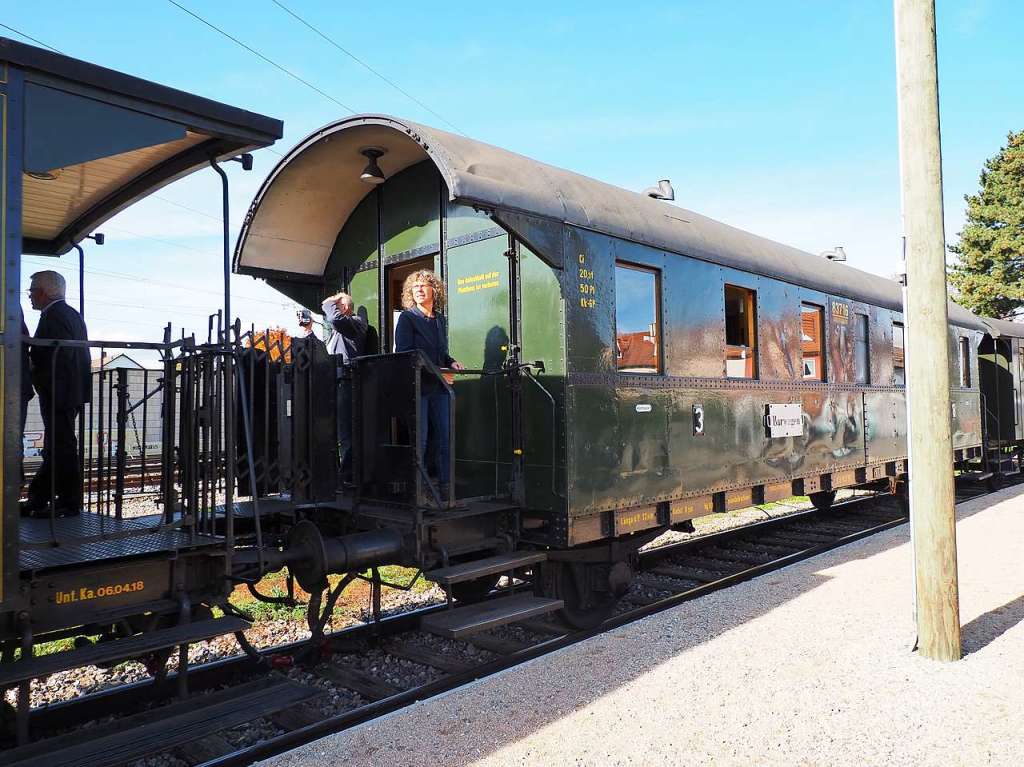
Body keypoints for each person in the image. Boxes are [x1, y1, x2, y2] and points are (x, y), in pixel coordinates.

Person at [23, 270, 90, 517]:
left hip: (59, 391)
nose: (30, 297)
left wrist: (33, 365)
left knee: (61, 446)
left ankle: (68, 503)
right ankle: (40, 498)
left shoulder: (55, 316)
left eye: (31, 291)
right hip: (65, 391)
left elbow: (57, 358)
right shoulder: (67, 314)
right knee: (58, 445)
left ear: (43, 292)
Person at [394, 270, 463, 502]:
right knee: (420, 441)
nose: (419, 290)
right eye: (415, 287)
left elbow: (441, 352)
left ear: (435, 290)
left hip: (439, 388)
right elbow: (405, 353)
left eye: (424, 285)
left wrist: (450, 362)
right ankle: (418, 491)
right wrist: (438, 371)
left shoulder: (440, 319)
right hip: (419, 387)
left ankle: (445, 488)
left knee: (445, 438)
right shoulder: (407, 318)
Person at [318, 292, 368, 484]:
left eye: (336, 304)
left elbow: (334, 317)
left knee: (346, 432)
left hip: (347, 381)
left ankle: (348, 476)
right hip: (335, 381)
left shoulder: (355, 323)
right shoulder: (340, 330)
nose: (332, 307)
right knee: (337, 431)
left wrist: (329, 301)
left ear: (344, 307)